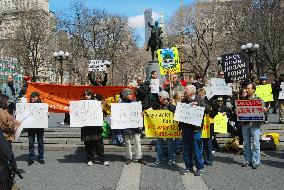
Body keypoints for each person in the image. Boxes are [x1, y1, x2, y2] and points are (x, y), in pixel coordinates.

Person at [179, 85, 206, 176]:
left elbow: (207, 109)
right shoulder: (184, 101)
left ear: (192, 92)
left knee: (197, 149)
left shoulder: (199, 100)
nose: (184, 90)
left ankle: (200, 168)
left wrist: (199, 106)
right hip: (186, 129)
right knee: (186, 149)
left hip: (195, 130)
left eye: (186, 89)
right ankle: (188, 167)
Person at [81, 90, 109, 166]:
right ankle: (90, 159)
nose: (86, 96)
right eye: (85, 95)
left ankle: (102, 160)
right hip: (86, 127)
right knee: (88, 144)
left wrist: (101, 105)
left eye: (88, 94)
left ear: (91, 95)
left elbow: (104, 112)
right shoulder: (81, 103)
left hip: (96, 127)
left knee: (99, 145)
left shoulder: (97, 103)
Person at [241, 83, 265, 169]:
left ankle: (255, 161)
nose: (247, 90)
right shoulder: (243, 100)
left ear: (253, 90)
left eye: (249, 89)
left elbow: (264, 112)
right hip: (245, 124)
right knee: (246, 143)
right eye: (246, 89)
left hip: (255, 124)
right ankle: (248, 160)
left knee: (255, 143)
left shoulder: (259, 100)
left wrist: (264, 111)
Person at [121, 88, 147, 165]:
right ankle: (129, 157)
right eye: (129, 94)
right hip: (126, 126)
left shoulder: (135, 103)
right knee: (127, 142)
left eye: (131, 94)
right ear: (125, 95)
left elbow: (138, 113)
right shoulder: (121, 104)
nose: (131, 96)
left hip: (135, 126)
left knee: (137, 141)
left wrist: (141, 113)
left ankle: (139, 157)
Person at [153, 91, 176, 166]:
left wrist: (168, 104)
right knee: (159, 143)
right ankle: (160, 158)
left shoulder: (171, 103)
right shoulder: (157, 104)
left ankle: (171, 159)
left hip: (169, 127)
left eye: (160, 97)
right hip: (160, 127)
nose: (159, 98)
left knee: (170, 143)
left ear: (165, 97)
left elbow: (175, 110)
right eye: (158, 96)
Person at [27, 92, 45, 166]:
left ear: (37, 97)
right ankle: (31, 158)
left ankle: (41, 157)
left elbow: (46, 117)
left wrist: (47, 115)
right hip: (31, 127)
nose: (32, 98)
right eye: (31, 97)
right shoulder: (27, 105)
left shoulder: (42, 105)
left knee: (40, 142)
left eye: (33, 97)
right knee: (31, 143)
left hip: (40, 127)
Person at [197, 88, 213, 166]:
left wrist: (201, 103)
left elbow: (208, 108)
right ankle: (200, 160)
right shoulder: (195, 101)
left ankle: (209, 160)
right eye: (199, 95)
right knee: (199, 144)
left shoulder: (209, 101)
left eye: (202, 95)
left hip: (207, 127)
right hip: (198, 126)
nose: (201, 96)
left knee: (208, 144)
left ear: (205, 94)